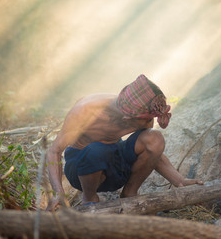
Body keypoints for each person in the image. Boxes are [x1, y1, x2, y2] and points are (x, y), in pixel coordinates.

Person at [45, 74, 203, 211]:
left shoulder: (142, 116)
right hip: (81, 169)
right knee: (96, 149)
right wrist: (59, 193)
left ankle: (129, 193)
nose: (150, 121)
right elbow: (54, 151)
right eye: (148, 119)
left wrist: (179, 180)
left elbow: (152, 151)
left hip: (115, 162)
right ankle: (89, 199)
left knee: (155, 137)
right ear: (128, 117)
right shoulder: (86, 111)